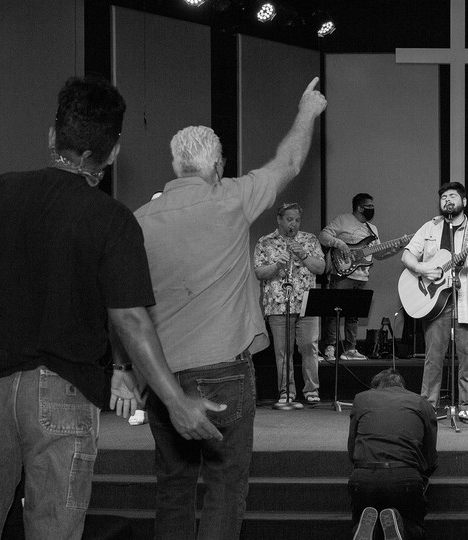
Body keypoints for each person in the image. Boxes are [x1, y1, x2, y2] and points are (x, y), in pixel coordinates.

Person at [0, 76, 223, 540]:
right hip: (63, 391)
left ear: (53, 136)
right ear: (113, 151)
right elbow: (131, 318)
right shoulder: (111, 219)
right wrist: (175, 401)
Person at [133, 77, 326, 538]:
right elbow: (291, 160)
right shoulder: (232, 197)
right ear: (216, 165)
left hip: (162, 378)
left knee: (173, 488)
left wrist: (126, 369)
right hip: (223, 370)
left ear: (176, 165)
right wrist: (307, 110)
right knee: (224, 486)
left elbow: (126, 307)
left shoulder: (138, 220)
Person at [401, 182, 468, 419]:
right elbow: (407, 255)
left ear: (464, 202)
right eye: (443, 196)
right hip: (435, 303)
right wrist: (423, 268)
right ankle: (427, 406)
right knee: (433, 358)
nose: (447, 200)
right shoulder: (429, 228)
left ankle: (467, 406)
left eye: (452, 196)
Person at [348, 369, 438, 540]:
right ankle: (404, 528)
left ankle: (367, 529)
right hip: (403, 476)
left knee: (360, 514)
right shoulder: (421, 403)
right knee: (414, 522)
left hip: (364, 476)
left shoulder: (361, 399)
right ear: (403, 387)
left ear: (375, 387)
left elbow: (352, 449)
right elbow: (430, 455)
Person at [254, 202, 326, 406]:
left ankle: (312, 390)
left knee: (309, 348)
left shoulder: (309, 240)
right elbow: (259, 272)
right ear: (279, 220)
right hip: (278, 306)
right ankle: (287, 392)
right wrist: (278, 265)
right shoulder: (265, 242)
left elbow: (321, 268)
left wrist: (303, 255)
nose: (293, 223)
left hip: (307, 305)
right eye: (289, 219)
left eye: (297, 220)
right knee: (283, 352)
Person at [320, 193, 402, 361]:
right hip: (341, 272)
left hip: (362, 276)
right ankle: (330, 347)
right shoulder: (343, 220)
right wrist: (339, 243)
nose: (372, 209)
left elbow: (378, 254)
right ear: (359, 207)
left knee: (354, 314)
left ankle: (350, 348)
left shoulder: (373, 229)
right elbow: (323, 236)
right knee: (334, 311)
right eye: (369, 206)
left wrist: (397, 246)